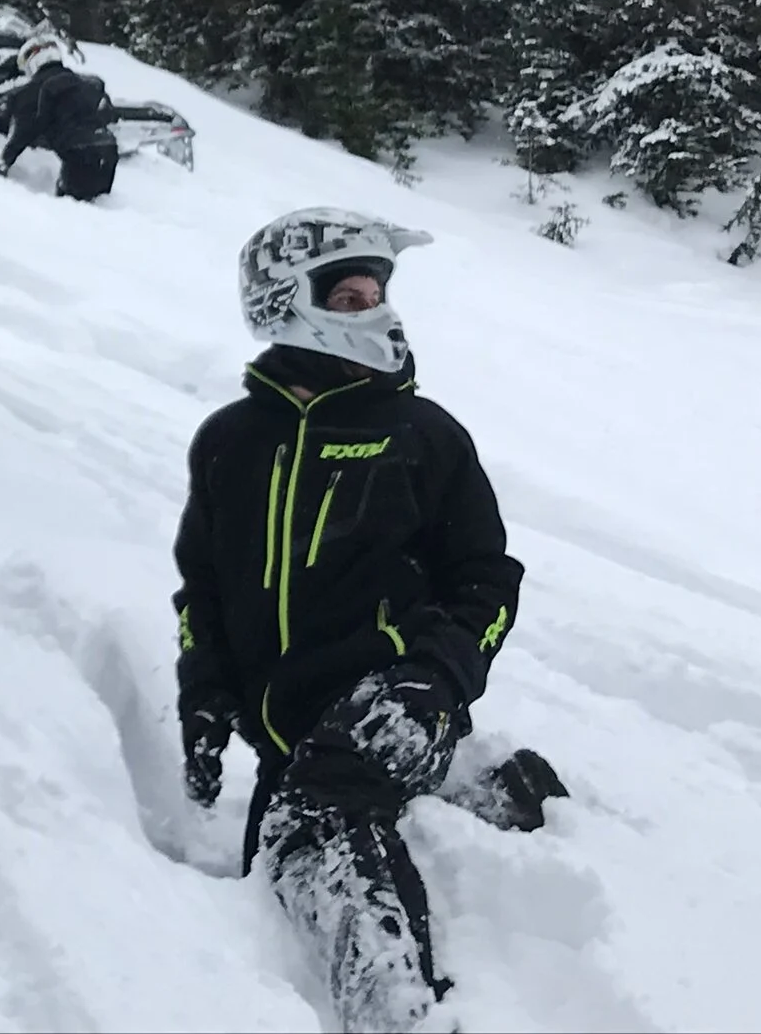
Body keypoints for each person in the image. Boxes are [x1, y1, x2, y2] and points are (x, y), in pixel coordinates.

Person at [172, 209, 526, 1033]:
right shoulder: (230, 442)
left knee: (318, 815)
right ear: (289, 300)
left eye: (378, 295)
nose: (379, 312)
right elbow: (204, 590)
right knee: (273, 868)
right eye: (353, 297)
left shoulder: (423, 435)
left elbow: (488, 580)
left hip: (392, 703)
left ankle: (402, 1016)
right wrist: (206, 696)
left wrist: (435, 678)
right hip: (289, 736)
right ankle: (492, 790)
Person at [0, 35, 120, 200]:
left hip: (78, 151)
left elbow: (25, 129)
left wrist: (5, 161)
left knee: (69, 208)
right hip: (108, 149)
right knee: (97, 205)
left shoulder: (32, 90)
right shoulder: (84, 83)